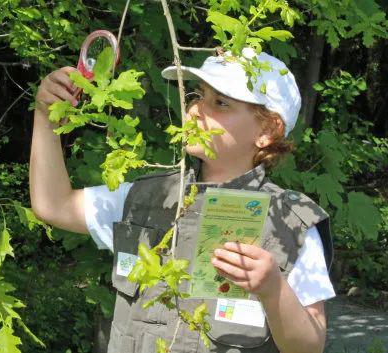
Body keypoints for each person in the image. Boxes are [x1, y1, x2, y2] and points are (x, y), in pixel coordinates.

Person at [30, 49, 336, 353]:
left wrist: (273, 290)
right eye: (198, 95)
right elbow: (53, 205)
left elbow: (308, 347)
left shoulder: (292, 223)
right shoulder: (144, 199)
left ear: (267, 130)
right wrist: (46, 117)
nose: (195, 109)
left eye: (221, 103)